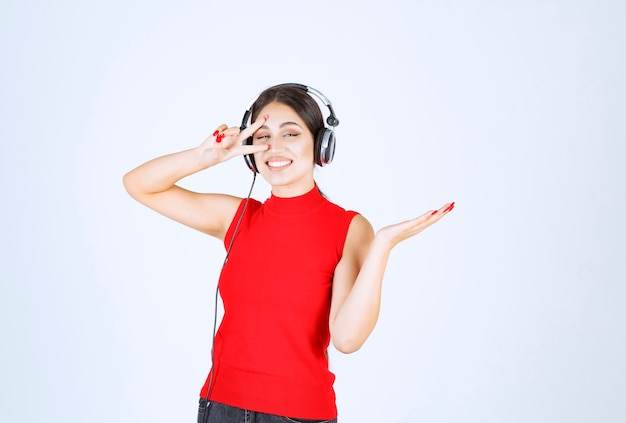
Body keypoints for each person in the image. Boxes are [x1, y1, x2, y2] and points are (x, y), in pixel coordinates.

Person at [123, 83, 454, 423]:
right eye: (263, 136)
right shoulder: (236, 218)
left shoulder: (350, 228)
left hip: (298, 416)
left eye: (291, 134)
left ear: (321, 145)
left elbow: (347, 338)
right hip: (220, 407)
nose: (273, 147)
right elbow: (139, 184)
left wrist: (382, 245)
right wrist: (206, 156)